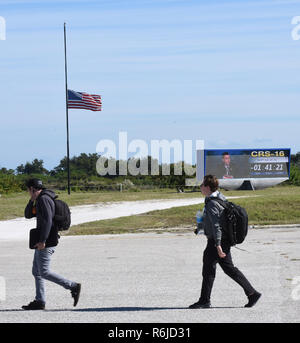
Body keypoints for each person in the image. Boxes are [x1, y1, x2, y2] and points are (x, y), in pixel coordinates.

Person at [189, 175, 261, 309]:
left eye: (202, 185)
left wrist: (218, 245)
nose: (200, 187)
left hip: (217, 242)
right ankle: (252, 293)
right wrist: (201, 227)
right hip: (223, 240)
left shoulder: (212, 203)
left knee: (209, 270)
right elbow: (217, 220)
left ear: (208, 187)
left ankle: (205, 300)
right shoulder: (218, 197)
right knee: (229, 269)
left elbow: (217, 226)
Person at [22, 178, 81, 310]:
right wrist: (31, 200)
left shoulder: (44, 200)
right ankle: (40, 301)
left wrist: (43, 241)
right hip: (42, 239)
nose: (28, 192)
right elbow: (27, 215)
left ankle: (72, 286)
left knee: (43, 271)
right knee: (37, 271)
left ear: (31, 189)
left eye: (28, 190)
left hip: (46, 240)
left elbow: (48, 221)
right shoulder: (39, 199)